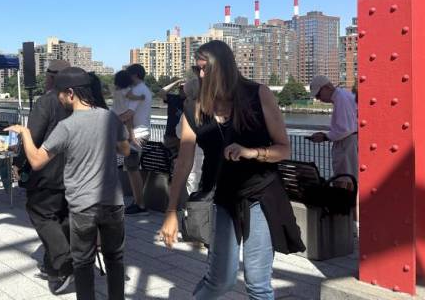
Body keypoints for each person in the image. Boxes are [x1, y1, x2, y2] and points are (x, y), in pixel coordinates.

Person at [159, 41, 304, 300]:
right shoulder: (194, 109)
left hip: (260, 194)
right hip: (220, 198)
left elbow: (284, 149)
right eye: (197, 69)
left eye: (206, 69)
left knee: (258, 283)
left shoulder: (258, 95)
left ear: (224, 67)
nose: (201, 75)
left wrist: (253, 152)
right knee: (220, 280)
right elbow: (184, 161)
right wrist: (171, 210)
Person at [7, 67, 129, 300]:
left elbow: (36, 161)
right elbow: (124, 149)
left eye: (61, 94)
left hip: (83, 206)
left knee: (83, 263)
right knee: (115, 259)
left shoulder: (67, 126)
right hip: (113, 203)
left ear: (71, 93)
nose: (60, 98)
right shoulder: (109, 117)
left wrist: (24, 132)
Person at [14, 59, 74, 294]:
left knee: (40, 213)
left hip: (48, 170)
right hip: (76, 171)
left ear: (51, 77)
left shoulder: (46, 101)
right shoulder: (85, 102)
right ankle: (53, 266)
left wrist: (20, 162)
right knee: (62, 217)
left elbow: (33, 135)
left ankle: (63, 261)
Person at [308, 76, 358, 188]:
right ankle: (348, 202)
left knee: (342, 178)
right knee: (349, 177)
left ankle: (341, 202)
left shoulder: (341, 99)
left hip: (347, 143)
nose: (318, 98)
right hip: (349, 142)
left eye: (318, 95)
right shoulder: (343, 95)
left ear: (327, 87)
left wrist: (325, 137)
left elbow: (345, 129)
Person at [122, 63, 153, 215]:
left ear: (134, 75)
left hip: (136, 135)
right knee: (133, 169)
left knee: (132, 170)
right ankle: (138, 201)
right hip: (141, 133)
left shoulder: (137, 90)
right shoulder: (144, 89)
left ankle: (140, 205)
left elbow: (128, 114)